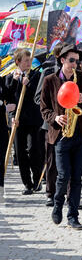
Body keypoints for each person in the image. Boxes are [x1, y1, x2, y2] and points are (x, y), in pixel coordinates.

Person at [40, 44, 82, 230]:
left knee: (77, 177)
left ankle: (73, 216)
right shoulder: (50, 80)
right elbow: (44, 108)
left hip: (79, 134)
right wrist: (55, 117)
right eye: (71, 60)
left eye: (77, 61)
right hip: (60, 135)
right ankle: (57, 205)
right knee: (63, 176)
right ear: (62, 60)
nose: (75, 64)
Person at [5, 49, 43, 194]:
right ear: (18, 62)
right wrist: (16, 82)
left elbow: (38, 94)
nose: (28, 63)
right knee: (20, 152)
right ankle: (27, 183)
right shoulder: (10, 78)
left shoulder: (36, 75)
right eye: (26, 60)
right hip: (17, 120)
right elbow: (8, 97)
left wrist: (29, 85)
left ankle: (37, 180)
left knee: (33, 149)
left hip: (33, 119)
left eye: (29, 60)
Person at [34, 43, 63, 207]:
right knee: (52, 162)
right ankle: (50, 193)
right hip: (52, 124)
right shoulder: (47, 72)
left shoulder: (75, 73)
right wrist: (55, 106)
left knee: (69, 162)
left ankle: (67, 193)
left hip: (70, 122)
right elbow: (38, 99)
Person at [0, 59, 16, 203]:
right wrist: (4, 109)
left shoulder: (1, 80)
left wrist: (16, 81)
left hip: (1, 127)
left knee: (1, 160)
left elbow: (8, 95)